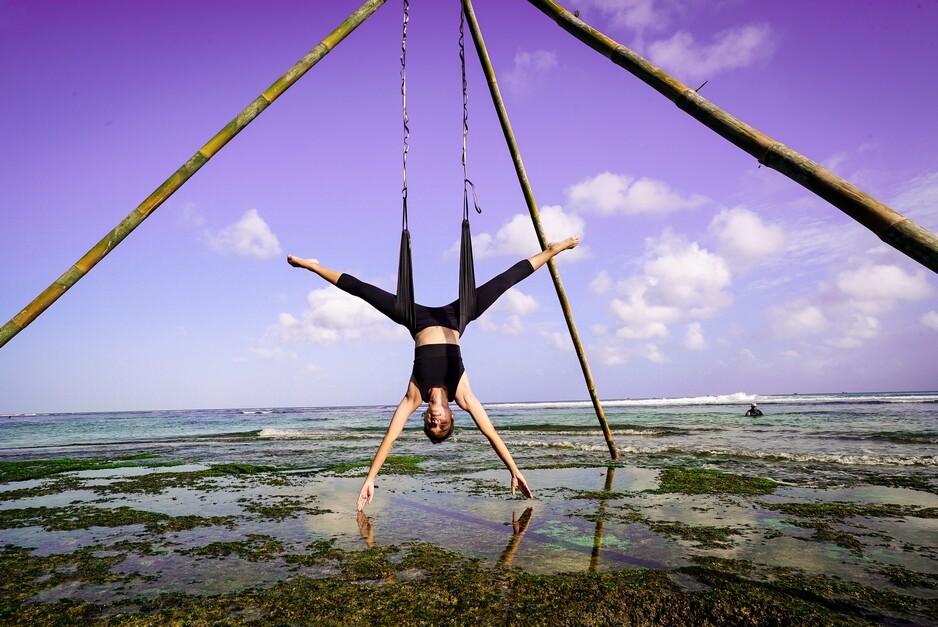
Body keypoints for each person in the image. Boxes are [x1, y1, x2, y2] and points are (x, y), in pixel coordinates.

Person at [287, 236, 579, 511]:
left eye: (430, 427)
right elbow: (490, 432)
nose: (435, 423)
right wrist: (514, 470)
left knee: (362, 290)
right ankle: (552, 249)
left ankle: (313, 265)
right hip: (458, 316)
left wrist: (370, 478)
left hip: (415, 319)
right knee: (505, 281)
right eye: (442, 427)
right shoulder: (462, 393)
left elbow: (391, 436)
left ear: (426, 419)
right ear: (452, 417)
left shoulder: (415, 394)